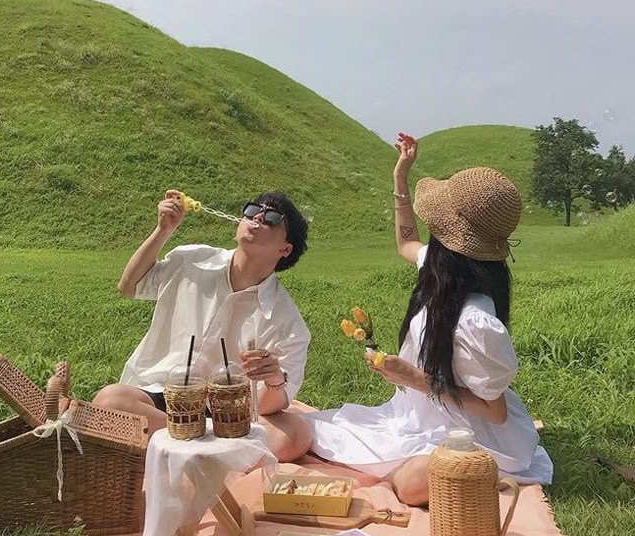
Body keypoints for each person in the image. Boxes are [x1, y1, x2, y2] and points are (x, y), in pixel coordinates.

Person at [307, 132, 553, 506]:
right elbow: (406, 242)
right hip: (427, 417)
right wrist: (400, 179)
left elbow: (495, 411)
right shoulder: (445, 272)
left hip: (476, 435)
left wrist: (415, 379)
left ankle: (465, 472)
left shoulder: (476, 322)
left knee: (410, 485)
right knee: (318, 433)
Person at [93, 189, 313, 462]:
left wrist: (274, 378)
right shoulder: (191, 260)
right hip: (163, 397)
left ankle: (183, 449)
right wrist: (163, 230)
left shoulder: (286, 321)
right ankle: (215, 456)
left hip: (228, 417)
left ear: (285, 249)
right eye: (251, 210)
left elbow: (270, 406)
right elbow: (129, 286)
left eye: (271, 218)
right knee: (109, 402)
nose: (257, 218)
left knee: (295, 434)